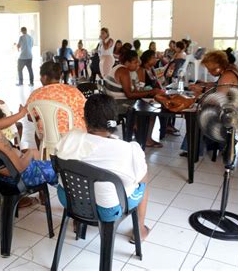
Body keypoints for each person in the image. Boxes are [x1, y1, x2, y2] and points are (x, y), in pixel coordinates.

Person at [56, 94, 150, 240]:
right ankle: (140, 229)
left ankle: (78, 221)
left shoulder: (69, 138)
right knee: (143, 178)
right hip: (107, 210)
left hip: (68, 200)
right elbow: (139, 178)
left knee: (78, 174)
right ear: (114, 120)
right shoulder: (128, 150)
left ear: (84, 120)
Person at [179, 50, 238, 156]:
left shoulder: (227, 76)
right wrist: (204, 86)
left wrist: (200, 94)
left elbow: (218, 99)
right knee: (202, 109)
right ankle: (211, 144)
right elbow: (220, 87)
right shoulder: (231, 70)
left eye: (209, 69)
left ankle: (193, 150)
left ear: (217, 66)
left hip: (232, 113)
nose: (208, 72)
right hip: (237, 108)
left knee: (197, 114)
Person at [105, 50, 164, 148]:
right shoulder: (123, 71)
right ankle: (144, 138)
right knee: (148, 110)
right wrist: (150, 92)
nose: (138, 64)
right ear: (127, 63)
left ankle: (139, 133)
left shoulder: (119, 68)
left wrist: (147, 92)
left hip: (114, 102)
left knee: (147, 106)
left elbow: (133, 91)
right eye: (135, 62)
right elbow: (129, 94)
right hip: (118, 105)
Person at [26, 61, 87, 135]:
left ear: (44, 77)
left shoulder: (36, 94)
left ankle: (44, 146)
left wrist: (42, 117)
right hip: (76, 134)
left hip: (50, 135)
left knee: (38, 133)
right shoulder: (73, 91)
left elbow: (30, 117)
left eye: (40, 77)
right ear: (60, 76)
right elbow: (85, 113)